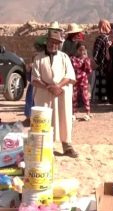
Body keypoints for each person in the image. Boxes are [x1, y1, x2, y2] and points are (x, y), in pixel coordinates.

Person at [31, 30, 78, 158]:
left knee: (64, 118)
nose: (54, 45)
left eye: (57, 43)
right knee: (45, 120)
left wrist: (58, 86)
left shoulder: (64, 57)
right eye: (52, 42)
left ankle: (67, 146)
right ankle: (46, 147)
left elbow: (70, 76)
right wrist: (48, 87)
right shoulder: (38, 58)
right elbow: (35, 79)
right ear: (47, 42)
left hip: (61, 93)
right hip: (44, 95)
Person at [24, 36, 47, 126]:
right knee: (31, 101)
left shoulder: (40, 57)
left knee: (33, 101)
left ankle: (32, 118)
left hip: (38, 84)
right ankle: (30, 118)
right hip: (36, 84)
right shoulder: (39, 56)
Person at [71, 42, 93, 120]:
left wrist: (86, 59)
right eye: (80, 50)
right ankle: (74, 112)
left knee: (85, 96)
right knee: (74, 96)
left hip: (83, 79)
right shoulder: (73, 58)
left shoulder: (87, 59)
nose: (81, 52)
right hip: (75, 80)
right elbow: (75, 66)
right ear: (77, 50)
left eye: (83, 50)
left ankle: (88, 112)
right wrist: (82, 60)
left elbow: (89, 70)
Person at [92, 19, 111, 103]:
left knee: (100, 81)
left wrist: (95, 61)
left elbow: (95, 52)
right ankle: (104, 98)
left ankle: (100, 98)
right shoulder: (107, 38)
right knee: (103, 80)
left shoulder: (100, 38)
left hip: (101, 63)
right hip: (105, 63)